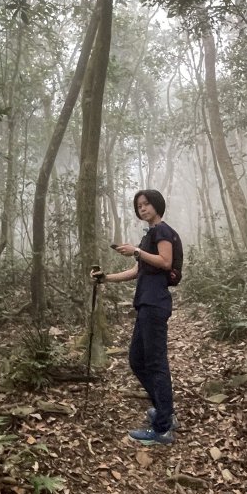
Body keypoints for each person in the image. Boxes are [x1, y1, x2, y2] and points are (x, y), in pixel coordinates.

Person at [91, 189, 179, 446]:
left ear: (157, 205)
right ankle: (165, 411)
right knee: (136, 359)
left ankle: (163, 429)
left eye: (146, 204)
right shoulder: (150, 234)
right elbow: (137, 271)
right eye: (139, 205)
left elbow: (165, 261)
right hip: (145, 304)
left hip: (154, 304)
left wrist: (136, 251)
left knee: (155, 363)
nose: (142, 208)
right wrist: (106, 278)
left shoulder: (162, 230)